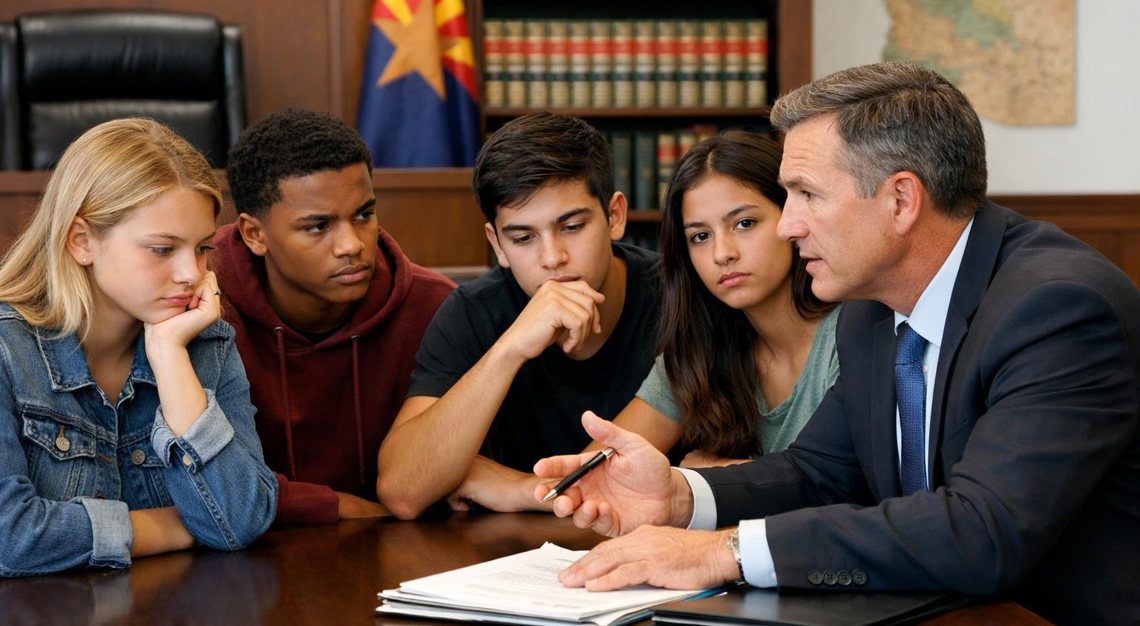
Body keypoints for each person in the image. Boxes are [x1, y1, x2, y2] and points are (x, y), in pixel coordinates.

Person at [534, 62, 1140, 626]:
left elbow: (982, 533)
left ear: (901, 200)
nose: (789, 223)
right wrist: (678, 496)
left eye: (807, 194)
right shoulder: (870, 312)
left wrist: (724, 551)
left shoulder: (1057, 308)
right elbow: (820, 473)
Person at [0, 119, 277, 575]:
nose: (192, 273)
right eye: (163, 249)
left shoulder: (204, 342)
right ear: (82, 241)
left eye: (202, 247)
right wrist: (174, 529)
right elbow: (11, 538)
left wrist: (169, 356)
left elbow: (241, 521)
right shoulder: (9, 350)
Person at [376, 112, 661, 519]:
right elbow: (402, 490)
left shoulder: (679, 299)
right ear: (497, 243)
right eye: (523, 238)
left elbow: (593, 487)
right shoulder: (471, 312)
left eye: (573, 226)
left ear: (614, 216)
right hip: (512, 558)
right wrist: (510, 348)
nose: (552, 257)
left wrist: (499, 484)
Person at [214, 108, 455, 525]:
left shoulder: (435, 308)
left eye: (363, 215)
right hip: (239, 563)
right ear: (255, 234)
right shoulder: (202, 308)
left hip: (400, 552)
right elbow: (212, 489)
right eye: (318, 226)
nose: (352, 244)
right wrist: (341, 507)